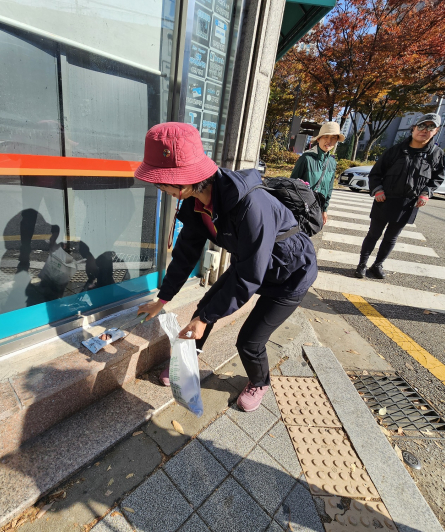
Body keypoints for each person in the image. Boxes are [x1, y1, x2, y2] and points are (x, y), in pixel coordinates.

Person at [136, 123, 318, 412]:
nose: (159, 188)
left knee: (248, 341)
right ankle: (189, 363)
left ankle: (260, 382)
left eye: (161, 182)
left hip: (290, 274)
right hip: (253, 262)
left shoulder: (250, 206)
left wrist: (206, 318)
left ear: (182, 182)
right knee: (205, 307)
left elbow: (249, 276)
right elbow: (185, 254)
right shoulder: (195, 202)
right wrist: (163, 299)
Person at [355, 113, 445, 279]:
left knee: (391, 237)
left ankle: (377, 265)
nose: (425, 130)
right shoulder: (396, 151)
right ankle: (362, 264)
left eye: (430, 127)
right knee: (373, 234)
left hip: (408, 204)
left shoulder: (436, 154)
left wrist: (426, 193)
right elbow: (376, 174)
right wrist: (378, 190)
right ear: (413, 128)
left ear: (436, 131)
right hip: (385, 200)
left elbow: (437, 178)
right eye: (422, 126)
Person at [289, 122, 344, 226]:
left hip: (317, 209)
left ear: (336, 141)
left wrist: (324, 210)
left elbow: (329, 189)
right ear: (319, 139)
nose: (329, 141)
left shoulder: (332, 162)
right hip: (301, 208)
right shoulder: (306, 158)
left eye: (333, 138)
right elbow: (292, 185)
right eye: (326, 137)